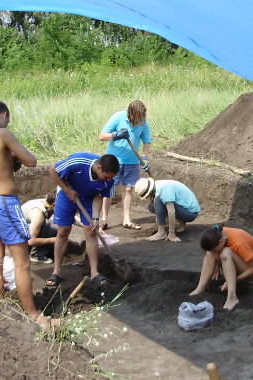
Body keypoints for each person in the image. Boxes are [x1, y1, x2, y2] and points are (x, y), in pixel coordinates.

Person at [0, 100, 53, 330]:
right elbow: (31, 161)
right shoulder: (3, 134)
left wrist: (0, 164)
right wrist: (13, 159)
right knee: (22, 262)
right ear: (4, 115)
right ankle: (34, 314)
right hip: (3, 202)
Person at [47, 152, 119, 287]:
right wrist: (67, 190)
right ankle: (56, 271)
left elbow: (99, 196)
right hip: (67, 193)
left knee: (91, 231)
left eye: (111, 178)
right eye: (106, 177)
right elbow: (53, 170)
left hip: (89, 198)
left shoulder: (110, 181)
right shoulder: (78, 162)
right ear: (98, 168)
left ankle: (94, 272)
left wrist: (96, 218)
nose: (109, 180)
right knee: (63, 231)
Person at [99, 100, 152, 230]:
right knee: (109, 188)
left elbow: (147, 140)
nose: (139, 120)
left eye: (141, 118)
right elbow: (102, 136)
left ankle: (126, 219)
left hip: (132, 162)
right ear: (130, 114)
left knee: (128, 189)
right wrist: (116, 135)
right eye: (137, 118)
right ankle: (104, 219)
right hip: (114, 161)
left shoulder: (143, 122)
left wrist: (145, 157)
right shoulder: (118, 117)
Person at [190, 225, 253, 310]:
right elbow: (211, 250)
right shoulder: (217, 233)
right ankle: (200, 287)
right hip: (241, 262)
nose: (214, 253)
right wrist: (216, 266)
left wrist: (234, 279)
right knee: (210, 253)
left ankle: (232, 297)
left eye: (215, 251)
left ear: (221, 241)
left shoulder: (239, 243)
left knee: (225, 253)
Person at [133, 177, 200, 242]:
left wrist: (171, 234)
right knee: (152, 206)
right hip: (186, 209)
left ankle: (161, 233)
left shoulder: (164, 189)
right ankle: (181, 222)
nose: (147, 197)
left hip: (190, 213)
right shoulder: (158, 186)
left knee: (158, 201)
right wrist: (158, 224)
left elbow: (171, 211)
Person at [22, 191, 57, 264]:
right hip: (17, 234)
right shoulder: (38, 214)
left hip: (25, 229)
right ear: (54, 205)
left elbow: (69, 217)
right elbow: (31, 241)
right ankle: (36, 255)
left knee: (55, 232)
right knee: (46, 225)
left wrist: (84, 224)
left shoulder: (47, 202)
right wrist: (54, 240)